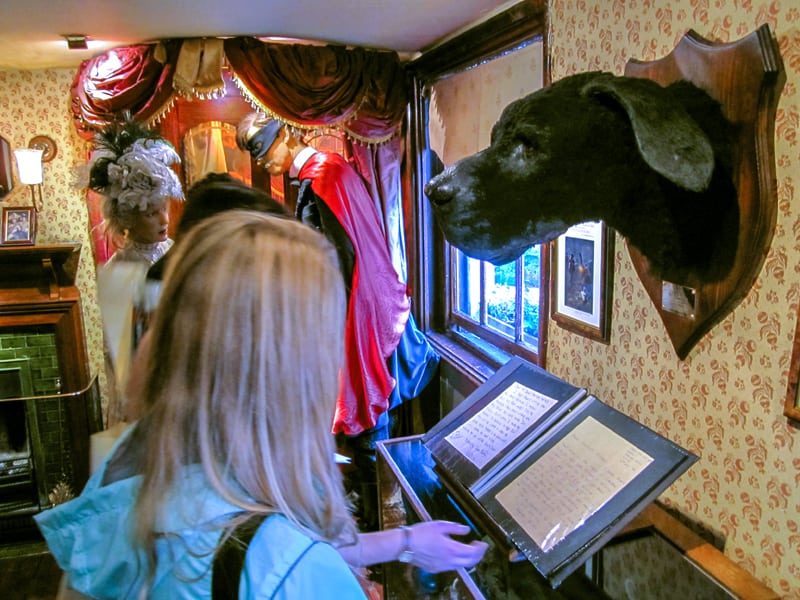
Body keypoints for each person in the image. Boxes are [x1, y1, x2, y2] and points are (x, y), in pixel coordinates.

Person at [35, 210, 487, 599]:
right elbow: (281, 562)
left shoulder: (130, 465)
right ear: (292, 369)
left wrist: (404, 541)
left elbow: (257, 536)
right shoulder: (294, 572)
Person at [237, 114, 439, 531]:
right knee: (366, 425)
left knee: (365, 424)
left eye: (265, 145)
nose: (263, 159)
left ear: (288, 135)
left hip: (355, 313)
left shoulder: (323, 177)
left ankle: (373, 523)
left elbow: (337, 264)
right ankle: (372, 515)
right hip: (365, 305)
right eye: (255, 152)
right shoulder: (331, 171)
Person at [87, 119, 185, 425]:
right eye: (150, 213)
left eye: (163, 208)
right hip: (147, 383)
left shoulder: (178, 252)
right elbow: (121, 349)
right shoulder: (120, 269)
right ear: (128, 218)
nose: (162, 219)